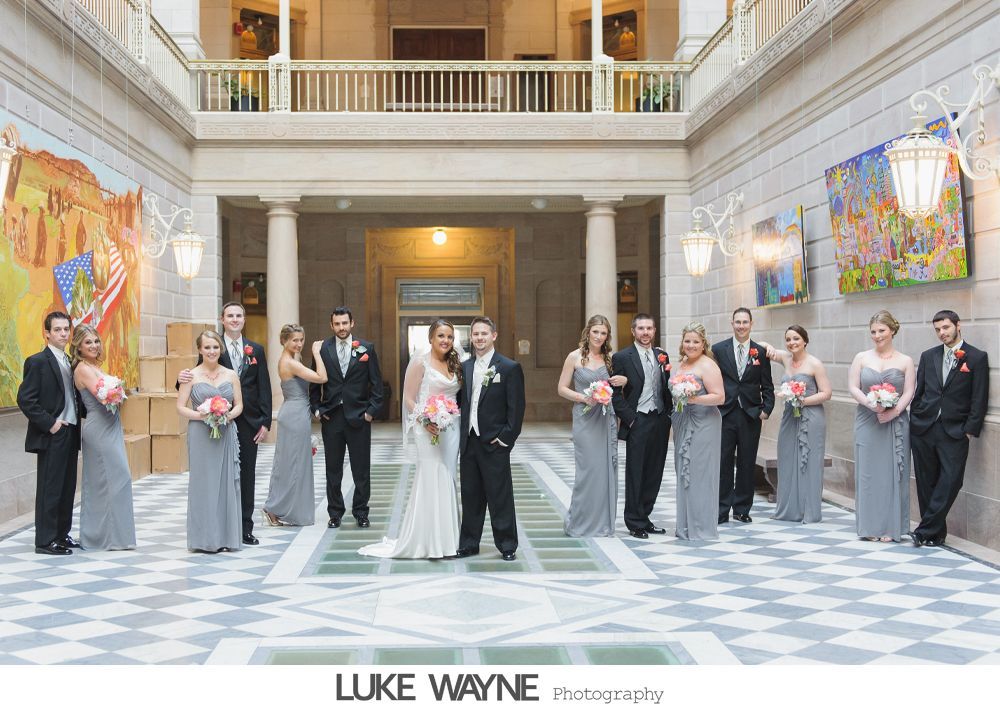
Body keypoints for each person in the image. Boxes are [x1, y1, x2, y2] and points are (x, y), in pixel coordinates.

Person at [360, 320, 465, 559]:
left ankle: (449, 539)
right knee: (431, 476)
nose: (445, 341)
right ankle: (427, 540)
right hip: (426, 428)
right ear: (430, 338)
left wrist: (445, 418)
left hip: (451, 428)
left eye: (449, 336)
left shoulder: (455, 362)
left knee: (448, 476)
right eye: (440, 336)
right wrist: (426, 420)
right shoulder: (421, 362)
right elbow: (408, 398)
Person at [178, 302, 271, 545]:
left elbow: (264, 386)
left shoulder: (256, 350)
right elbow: (193, 378)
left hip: (247, 421)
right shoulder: (211, 345)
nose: (235, 319)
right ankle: (217, 527)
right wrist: (179, 380)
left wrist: (266, 421)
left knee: (245, 475)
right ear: (222, 319)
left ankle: (244, 528)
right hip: (211, 423)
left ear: (244, 319)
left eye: (239, 315)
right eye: (230, 315)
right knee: (215, 476)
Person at [909, 310, 990, 547]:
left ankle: (923, 530)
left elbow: (979, 397)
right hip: (924, 428)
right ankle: (935, 534)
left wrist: (970, 429)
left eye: (945, 327)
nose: (941, 333)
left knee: (952, 480)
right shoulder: (928, 356)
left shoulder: (976, 358)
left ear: (957, 325)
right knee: (926, 481)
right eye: (937, 330)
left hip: (955, 431)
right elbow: (920, 391)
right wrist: (916, 418)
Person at [456, 316, 526, 561]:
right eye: (475, 334)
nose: (479, 338)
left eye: (484, 333)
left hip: (495, 442)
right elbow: (462, 403)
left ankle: (507, 545)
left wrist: (505, 438)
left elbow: (516, 409)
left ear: (494, 336)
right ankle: (469, 543)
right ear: (471, 337)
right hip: (469, 441)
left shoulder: (508, 367)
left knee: (500, 496)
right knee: (471, 494)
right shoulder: (465, 367)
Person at [16, 311, 85, 555]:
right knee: (50, 487)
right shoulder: (37, 362)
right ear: (47, 333)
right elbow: (26, 399)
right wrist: (50, 423)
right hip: (53, 432)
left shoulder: (69, 361)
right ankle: (45, 541)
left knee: (67, 487)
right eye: (57, 330)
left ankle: (61, 535)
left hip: (71, 432)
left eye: (66, 329)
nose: (63, 333)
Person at [310, 306, 384, 529]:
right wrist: (317, 409)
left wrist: (370, 412)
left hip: (359, 418)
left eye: (345, 323)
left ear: (352, 323)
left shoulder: (366, 348)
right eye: (337, 324)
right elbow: (314, 382)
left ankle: (361, 512)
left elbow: (377, 385)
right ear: (331, 325)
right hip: (332, 418)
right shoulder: (323, 349)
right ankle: (335, 513)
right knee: (333, 468)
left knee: (361, 469)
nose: (341, 327)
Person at [847, 310, 915, 543]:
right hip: (867, 420)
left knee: (892, 473)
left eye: (882, 331)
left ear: (893, 330)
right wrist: (870, 403)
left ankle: (890, 526)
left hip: (895, 422)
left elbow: (909, 391)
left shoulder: (905, 361)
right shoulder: (861, 358)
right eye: (873, 332)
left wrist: (894, 412)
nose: (877, 336)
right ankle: (870, 526)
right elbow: (853, 387)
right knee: (868, 473)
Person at [557, 315, 627, 537]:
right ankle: (580, 522)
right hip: (585, 417)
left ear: (607, 336)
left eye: (603, 333)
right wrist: (583, 397)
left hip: (606, 418)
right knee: (587, 470)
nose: (599, 336)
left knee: (606, 469)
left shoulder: (610, 359)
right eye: (595, 331)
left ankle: (602, 523)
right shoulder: (574, 357)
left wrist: (623, 381)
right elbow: (561, 388)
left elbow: (620, 385)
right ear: (588, 332)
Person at [177, 330, 244, 553]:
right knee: (203, 484)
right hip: (200, 433)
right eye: (207, 347)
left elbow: (239, 405)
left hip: (225, 432)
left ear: (220, 349)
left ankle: (226, 537)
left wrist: (225, 415)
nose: (212, 351)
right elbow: (181, 406)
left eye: (215, 347)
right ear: (200, 350)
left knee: (225, 483)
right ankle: (203, 539)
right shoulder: (191, 376)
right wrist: (203, 415)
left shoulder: (231, 375)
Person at [71, 325, 136, 550]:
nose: (94, 345)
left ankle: (115, 536)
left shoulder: (95, 366)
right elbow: (106, 396)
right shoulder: (82, 369)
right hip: (98, 430)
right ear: (78, 345)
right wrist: (120, 390)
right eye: (88, 342)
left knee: (114, 480)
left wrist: (119, 391)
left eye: (96, 341)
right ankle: (98, 537)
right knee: (114, 479)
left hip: (111, 426)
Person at [761, 326, 832, 523]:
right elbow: (762, 346)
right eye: (788, 339)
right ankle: (790, 509)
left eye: (796, 339)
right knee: (788, 458)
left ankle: (808, 510)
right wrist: (767, 346)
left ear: (805, 341)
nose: (792, 343)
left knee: (809, 461)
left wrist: (802, 400)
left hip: (811, 417)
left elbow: (826, 393)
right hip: (790, 417)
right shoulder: (786, 358)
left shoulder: (814, 364)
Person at [611, 313, 672, 539]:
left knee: (655, 471)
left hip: (660, 419)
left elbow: (666, 386)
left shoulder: (662, 355)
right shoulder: (622, 357)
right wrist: (631, 418)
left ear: (654, 331)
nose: (645, 333)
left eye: (649, 328)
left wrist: (669, 414)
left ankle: (645, 517)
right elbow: (615, 394)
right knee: (636, 471)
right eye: (641, 329)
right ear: (633, 331)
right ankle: (634, 521)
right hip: (638, 419)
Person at [261, 325, 327, 528]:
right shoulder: (290, 363)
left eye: (301, 340)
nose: (299, 344)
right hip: (294, 416)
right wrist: (317, 353)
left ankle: (280, 507)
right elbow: (322, 377)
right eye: (294, 340)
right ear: (284, 341)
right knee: (291, 464)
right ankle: (274, 507)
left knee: (292, 463)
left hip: (296, 413)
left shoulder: (292, 360)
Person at [714, 307, 774, 524]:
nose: (741, 326)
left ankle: (741, 509)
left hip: (750, 414)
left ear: (751, 324)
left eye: (745, 322)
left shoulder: (760, 352)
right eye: (737, 322)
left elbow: (767, 384)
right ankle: (721, 510)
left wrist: (766, 409)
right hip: (725, 413)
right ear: (732, 324)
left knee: (747, 463)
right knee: (724, 463)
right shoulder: (718, 350)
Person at [671, 323, 725, 541]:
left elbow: (720, 397)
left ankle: (701, 527)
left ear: (703, 344)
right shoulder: (681, 363)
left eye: (695, 341)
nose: (691, 345)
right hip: (683, 422)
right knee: (684, 472)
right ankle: (685, 525)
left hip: (704, 424)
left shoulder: (708, 365)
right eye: (687, 341)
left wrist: (692, 398)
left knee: (700, 474)